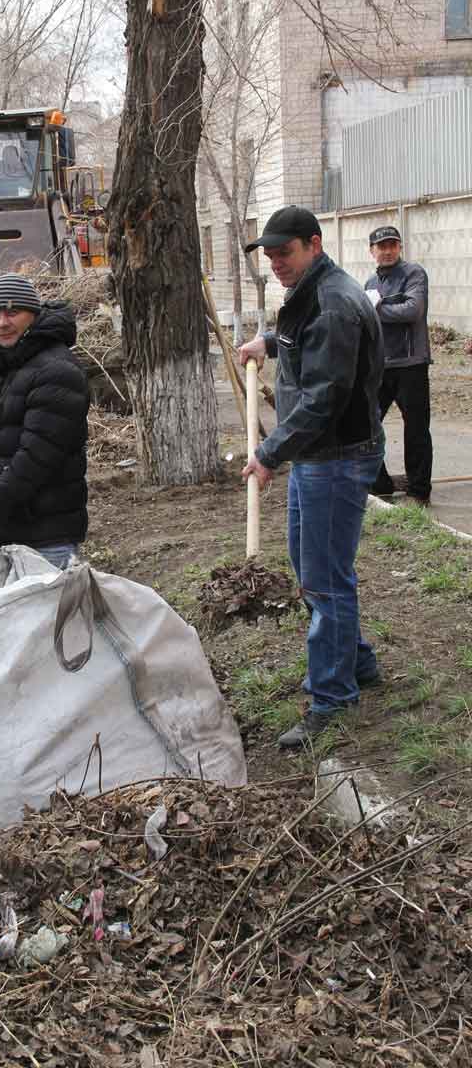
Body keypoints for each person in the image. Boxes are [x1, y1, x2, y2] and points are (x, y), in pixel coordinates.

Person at [238, 206, 385, 749]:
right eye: (270, 254)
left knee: (325, 580)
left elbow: (325, 395)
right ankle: (357, 663)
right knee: (313, 570)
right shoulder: (312, 293)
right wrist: (270, 344)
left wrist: (271, 451)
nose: (276, 262)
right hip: (316, 456)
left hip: (337, 456)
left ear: (314, 245)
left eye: (285, 251)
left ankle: (332, 696)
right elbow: (309, 347)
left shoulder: (333, 303)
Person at [0, 273, 89, 568]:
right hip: (13, 526)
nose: (2, 323)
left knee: (48, 614)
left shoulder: (57, 371)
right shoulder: (4, 366)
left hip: (47, 536)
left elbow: (36, 457)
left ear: (33, 314)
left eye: (12, 312)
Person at [364, 225, 432, 505]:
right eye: (382, 246)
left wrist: (376, 308)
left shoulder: (413, 274)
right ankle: (381, 484)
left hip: (411, 364)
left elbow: (412, 311)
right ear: (372, 251)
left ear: (400, 247)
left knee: (415, 428)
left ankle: (419, 490)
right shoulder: (370, 283)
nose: (388, 250)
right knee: (365, 424)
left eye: (393, 245)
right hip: (381, 366)